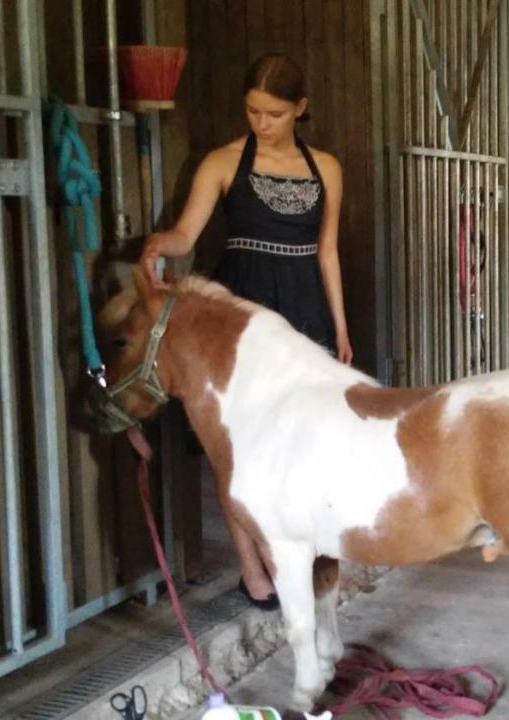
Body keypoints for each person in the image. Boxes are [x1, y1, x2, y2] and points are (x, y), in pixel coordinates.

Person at [140, 53, 351, 609]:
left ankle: (302, 560)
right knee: (232, 444)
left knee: (305, 439)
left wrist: (341, 328)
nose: (263, 123)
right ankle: (254, 574)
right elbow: (188, 235)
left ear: (300, 109)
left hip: (304, 301)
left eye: (276, 114)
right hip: (242, 306)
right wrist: (163, 244)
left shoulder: (325, 166)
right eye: (254, 111)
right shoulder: (222, 161)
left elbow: (328, 252)